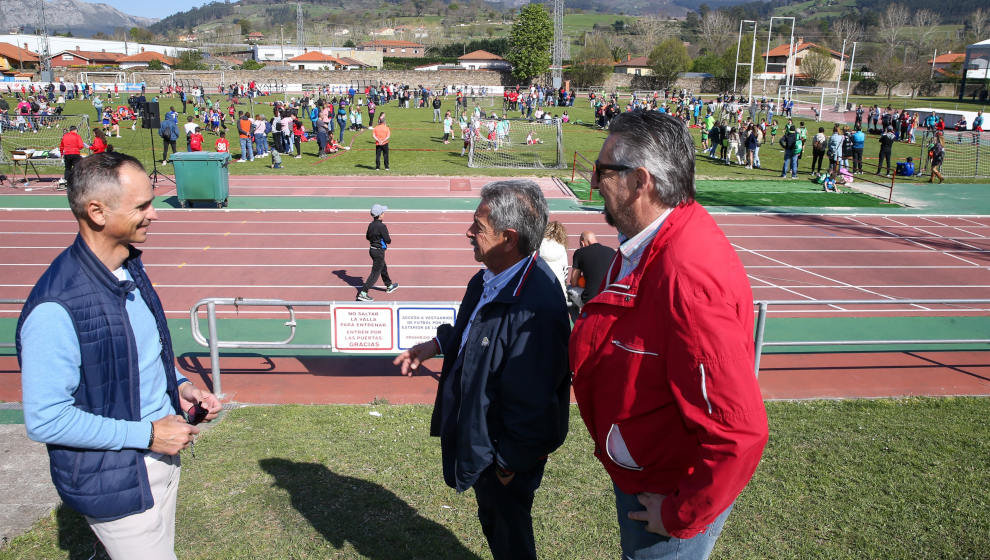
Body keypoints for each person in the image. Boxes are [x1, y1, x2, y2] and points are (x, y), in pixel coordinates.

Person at [569, 110, 768, 560]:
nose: (595, 181)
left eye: (603, 171)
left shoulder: (686, 274)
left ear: (641, 182)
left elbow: (740, 431)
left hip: (666, 493)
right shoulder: (646, 242)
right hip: (647, 470)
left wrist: (680, 514)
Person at [17, 152, 222, 559]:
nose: (154, 215)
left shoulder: (129, 267)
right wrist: (148, 435)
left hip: (158, 457)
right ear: (97, 211)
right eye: (142, 206)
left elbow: (135, 358)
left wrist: (179, 387)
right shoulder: (56, 308)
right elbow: (46, 419)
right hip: (116, 476)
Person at [393, 180, 570, 560]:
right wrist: (436, 345)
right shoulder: (489, 278)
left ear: (509, 238)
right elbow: (476, 329)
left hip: (502, 457)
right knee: (494, 521)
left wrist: (508, 464)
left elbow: (538, 400)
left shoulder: (536, 306)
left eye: (478, 226)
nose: (469, 232)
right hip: (484, 442)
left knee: (508, 532)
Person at [356, 204, 398, 302]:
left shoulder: (371, 225)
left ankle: (389, 285)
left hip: (372, 250)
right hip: (379, 251)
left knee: (383, 266)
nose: (384, 213)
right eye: (383, 212)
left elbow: (367, 237)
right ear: (380, 215)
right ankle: (363, 293)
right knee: (375, 273)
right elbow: (388, 240)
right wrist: (383, 238)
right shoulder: (382, 226)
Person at [567, 230, 615, 313]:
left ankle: (577, 322)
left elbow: (574, 282)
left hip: (590, 299)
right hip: (611, 297)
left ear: (582, 243)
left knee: (569, 289)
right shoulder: (612, 251)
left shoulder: (579, 253)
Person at [539, 220, 569, 297]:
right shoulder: (562, 250)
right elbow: (565, 273)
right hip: (559, 293)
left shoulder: (537, 247)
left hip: (539, 292)